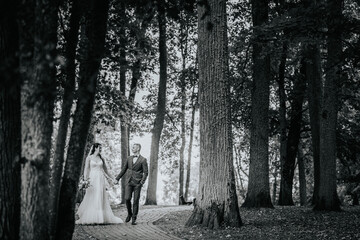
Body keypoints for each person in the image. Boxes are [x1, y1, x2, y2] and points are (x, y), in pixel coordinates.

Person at [76, 143, 123, 224]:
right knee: (92, 196)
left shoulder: (101, 158)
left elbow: (106, 170)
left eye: (101, 148)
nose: (101, 149)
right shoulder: (89, 158)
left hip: (100, 179)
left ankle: (101, 217)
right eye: (99, 148)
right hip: (92, 179)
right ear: (95, 148)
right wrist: (85, 180)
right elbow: (86, 170)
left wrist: (114, 179)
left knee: (100, 196)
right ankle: (91, 216)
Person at [115, 143, 148, 225]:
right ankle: (129, 213)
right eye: (132, 147)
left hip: (138, 183)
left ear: (138, 148)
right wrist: (117, 178)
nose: (132, 149)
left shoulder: (143, 160)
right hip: (129, 181)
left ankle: (134, 218)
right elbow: (124, 169)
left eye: (134, 147)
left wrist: (142, 182)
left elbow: (146, 173)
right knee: (127, 198)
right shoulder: (129, 158)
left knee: (136, 200)